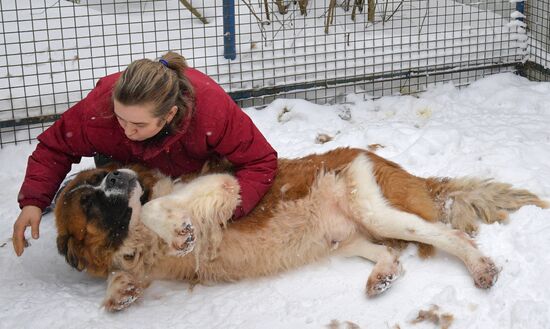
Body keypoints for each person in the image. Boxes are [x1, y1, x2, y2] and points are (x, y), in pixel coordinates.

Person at [12, 51, 278, 256]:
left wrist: (220, 212)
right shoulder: (100, 109)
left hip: (189, 165)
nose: (127, 130)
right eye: (121, 119)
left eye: (138, 125)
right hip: (125, 166)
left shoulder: (211, 110)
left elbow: (260, 161)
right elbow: (55, 147)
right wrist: (33, 201)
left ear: (170, 114)